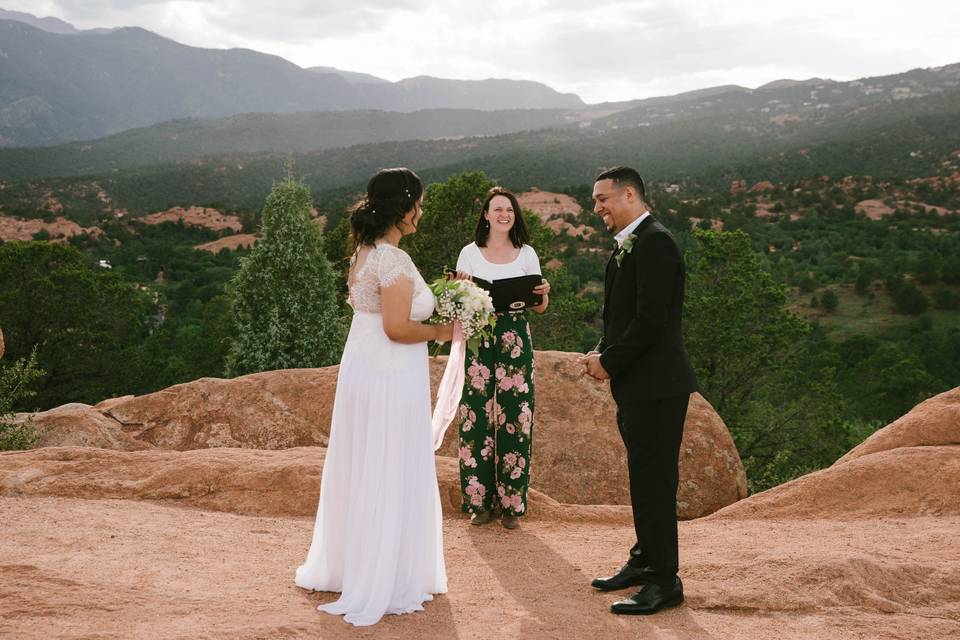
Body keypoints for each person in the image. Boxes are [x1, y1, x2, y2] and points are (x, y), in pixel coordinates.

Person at [295, 168, 452, 626]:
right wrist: (448, 329)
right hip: (389, 372)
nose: (421, 213)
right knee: (389, 460)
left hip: (363, 368)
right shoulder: (394, 260)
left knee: (363, 459)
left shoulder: (363, 254)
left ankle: (352, 565)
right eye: (418, 204)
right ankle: (385, 573)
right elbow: (398, 328)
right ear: (404, 208)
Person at [579, 166, 697, 615]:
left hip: (658, 386)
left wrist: (608, 363)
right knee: (642, 478)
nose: (597, 208)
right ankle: (645, 560)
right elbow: (625, 316)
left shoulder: (656, 242)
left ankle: (665, 581)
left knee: (655, 482)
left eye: (602, 199)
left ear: (629, 194)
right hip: (639, 385)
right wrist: (602, 348)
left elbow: (652, 322)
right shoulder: (636, 242)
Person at [452, 187, 550, 530]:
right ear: (486, 215)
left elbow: (539, 307)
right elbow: (457, 304)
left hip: (515, 338)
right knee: (475, 416)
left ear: (515, 215)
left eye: (509, 209)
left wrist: (543, 294)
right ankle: (479, 503)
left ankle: (512, 505)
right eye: (497, 209)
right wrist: (460, 287)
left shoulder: (527, 253)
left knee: (517, 413)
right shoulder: (468, 253)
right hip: (479, 336)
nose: (504, 214)